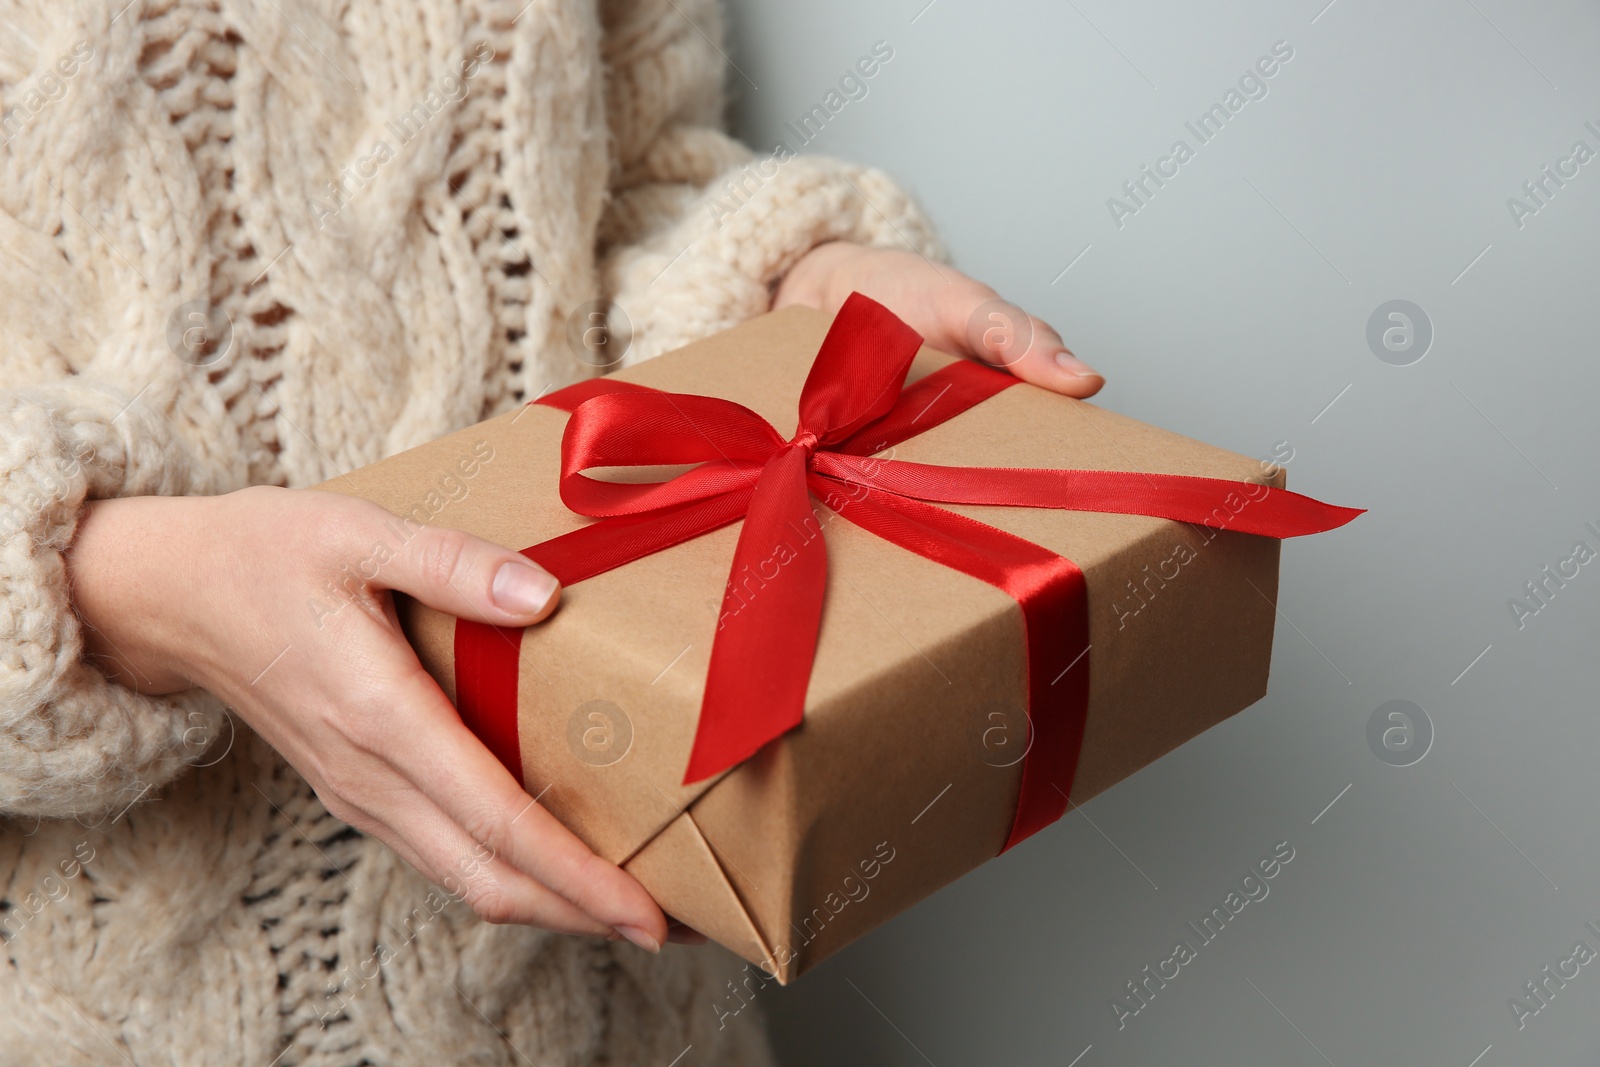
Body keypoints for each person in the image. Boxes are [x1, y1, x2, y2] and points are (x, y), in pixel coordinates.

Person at [0, 1, 1103, 1062]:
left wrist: (788, 291)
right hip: (119, 996)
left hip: (619, 997)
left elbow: (621, 193)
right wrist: (134, 591)